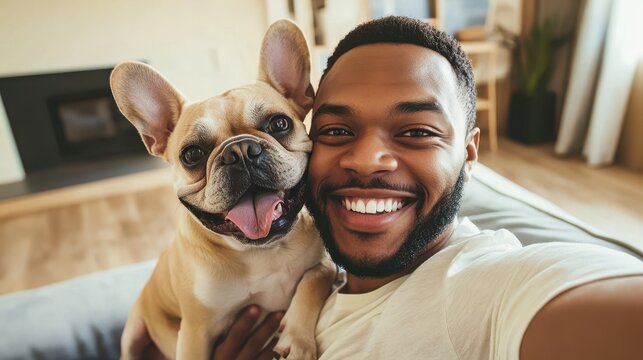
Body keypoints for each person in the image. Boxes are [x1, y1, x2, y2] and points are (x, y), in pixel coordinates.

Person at [126, 16, 643, 359]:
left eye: (416, 130)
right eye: (337, 131)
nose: (370, 159)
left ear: (469, 151)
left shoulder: (487, 286)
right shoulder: (321, 251)